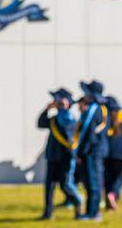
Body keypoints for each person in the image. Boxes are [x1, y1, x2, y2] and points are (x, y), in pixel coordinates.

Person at [37, 88, 81, 220]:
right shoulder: (54, 118)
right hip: (52, 156)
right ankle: (48, 213)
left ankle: (78, 202)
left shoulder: (71, 119)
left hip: (65, 158)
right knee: (49, 186)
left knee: (65, 185)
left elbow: (69, 136)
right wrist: (47, 109)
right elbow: (40, 123)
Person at [74, 88, 106, 221]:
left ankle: (94, 213)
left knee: (94, 183)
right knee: (88, 183)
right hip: (88, 152)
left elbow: (91, 135)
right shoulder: (91, 110)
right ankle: (89, 211)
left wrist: (81, 151)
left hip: (93, 151)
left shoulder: (95, 110)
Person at [102, 96, 122, 211]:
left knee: (108, 178)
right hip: (121, 154)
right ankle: (113, 195)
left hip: (108, 154)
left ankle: (108, 200)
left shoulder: (105, 119)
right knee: (119, 177)